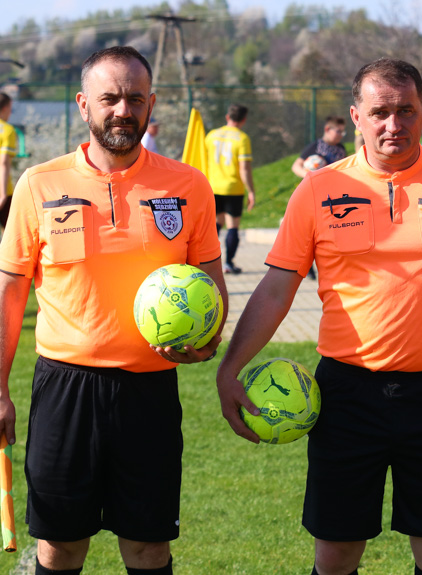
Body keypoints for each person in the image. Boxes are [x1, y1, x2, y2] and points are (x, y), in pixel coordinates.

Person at [216, 57, 422, 575]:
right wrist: (229, 368)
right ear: (356, 117)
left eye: (406, 110)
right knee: (336, 552)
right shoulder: (317, 189)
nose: (393, 124)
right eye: (380, 111)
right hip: (345, 396)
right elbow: (274, 291)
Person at [0, 46, 227, 575]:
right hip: (64, 389)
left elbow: (212, 288)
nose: (122, 110)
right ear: (84, 105)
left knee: (148, 548)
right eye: (109, 98)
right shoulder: (39, 184)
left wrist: (207, 342)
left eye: (134, 98)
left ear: (152, 104)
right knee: (60, 547)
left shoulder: (188, 185)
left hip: (148, 393)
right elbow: (9, 295)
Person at [205, 103, 256, 274]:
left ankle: (206, 261)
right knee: (232, 227)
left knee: (215, 225)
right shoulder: (242, 138)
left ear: (227, 117)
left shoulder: (211, 135)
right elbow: (244, 168)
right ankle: (228, 263)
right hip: (233, 188)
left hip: (212, 186)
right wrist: (251, 191)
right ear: (244, 120)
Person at [0, 92, 18, 231]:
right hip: (4, 189)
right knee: (13, 234)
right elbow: (4, 163)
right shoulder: (7, 130)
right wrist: (3, 193)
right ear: (5, 108)